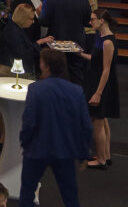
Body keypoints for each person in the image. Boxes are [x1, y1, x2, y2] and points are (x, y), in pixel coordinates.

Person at [18, 49, 93, 207]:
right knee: (70, 195)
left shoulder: (35, 89)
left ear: (46, 66)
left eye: (41, 62)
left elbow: (29, 122)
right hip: (65, 151)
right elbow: (86, 126)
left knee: (27, 193)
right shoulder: (76, 91)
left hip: (37, 150)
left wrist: (24, 142)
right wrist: (83, 154)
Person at [80, 9, 119, 169]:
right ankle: (106, 156)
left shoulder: (107, 42)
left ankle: (101, 160)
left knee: (98, 122)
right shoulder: (101, 37)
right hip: (96, 81)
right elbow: (95, 58)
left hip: (101, 84)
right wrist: (79, 53)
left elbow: (106, 69)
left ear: (102, 20)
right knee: (102, 121)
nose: (90, 22)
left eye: (93, 19)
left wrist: (98, 93)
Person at [40, 0, 92, 85]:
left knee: (55, 76)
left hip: (56, 43)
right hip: (76, 44)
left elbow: (43, 21)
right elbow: (87, 21)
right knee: (76, 78)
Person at [0, 4, 53, 77]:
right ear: (23, 18)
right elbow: (24, 55)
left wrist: (42, 41)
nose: (33, 22)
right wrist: (39, 42)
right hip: (15, 73)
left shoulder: (15, 27)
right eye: (31, 19)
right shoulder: (13, 32)